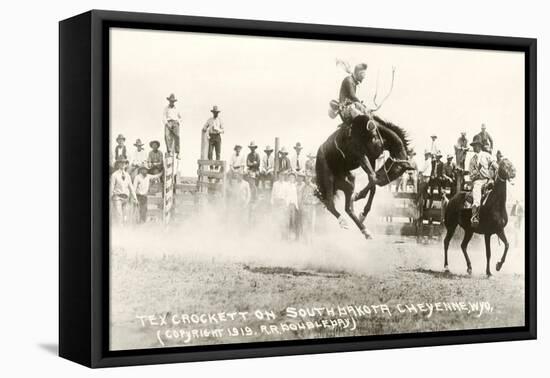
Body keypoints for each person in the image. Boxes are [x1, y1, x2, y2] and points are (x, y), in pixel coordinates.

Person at [469, 135, 497, 227]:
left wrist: (496, 167)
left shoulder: (486, 155)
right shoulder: (472, 160)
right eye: (473, 145)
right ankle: (475, 216)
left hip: (487, 180)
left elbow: (493, 163)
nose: (474, 147)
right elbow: (471, 175)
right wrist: (477, 173)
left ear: (479, 146)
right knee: (477, 195)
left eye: (475, 145)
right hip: (478, 181)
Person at [110, 159, 137, 225]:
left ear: (126, 165)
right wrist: (110, 196)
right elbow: (112, 187)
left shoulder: (127, 175)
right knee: (119, 214)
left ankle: (124, 229)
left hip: (126, 198)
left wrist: (135, 198)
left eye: (124, 163)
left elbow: (131, 187)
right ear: (118, 164)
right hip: (117, 197)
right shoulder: (114, 175)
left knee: (125, 215)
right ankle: (120, 229)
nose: (122, 164)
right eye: (120, 163)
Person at [299, 173, 320, 244]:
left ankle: (311, 240)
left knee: (311, 225)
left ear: (311, 178)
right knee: (304, 225)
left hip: (312, 208)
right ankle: (306, 241)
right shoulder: (302, 187)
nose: (308, 179)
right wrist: (301, 207)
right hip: (304, 208)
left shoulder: (314, 187)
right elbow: (300, 198)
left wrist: (314, 203)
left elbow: (319, 198)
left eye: (309, 177)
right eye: (306, 177)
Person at [162, 93, 181, 157]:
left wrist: (178, 122)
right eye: (170, 101)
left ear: (174, 102)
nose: (171, 102)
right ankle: (169, 151)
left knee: (177, 136)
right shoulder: (166, 108)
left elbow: (180, 117)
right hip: (168, 122)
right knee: (166, 135)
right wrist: (167, 124)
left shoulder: (177, 108)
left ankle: (177, 152)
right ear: (169, 101)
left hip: (175, 122)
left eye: (173, 101)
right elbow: (164, 117)